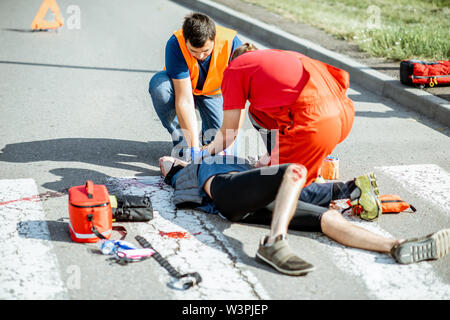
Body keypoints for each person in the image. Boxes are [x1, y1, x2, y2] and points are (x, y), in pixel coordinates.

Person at [158, 154, 450, 276]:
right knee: (292, 171)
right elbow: (164, 160)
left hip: (254, 201)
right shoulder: (191, 169)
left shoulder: (231, 159)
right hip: (224, 191)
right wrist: (191, 158)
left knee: (325, 218)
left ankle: (396, 246)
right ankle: (274, 243)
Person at [201, 44, 356, 194]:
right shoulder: (278, 56)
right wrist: (269, 159)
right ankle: (299, 163)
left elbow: (229, 132)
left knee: (279, 192)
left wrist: (203, 153)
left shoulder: (235, 68)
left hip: (314, 123)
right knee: (256, 111)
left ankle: (347, 190)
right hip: (343, 114)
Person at [149, 13, 243, 160]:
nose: (200, 56)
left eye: (206, 51)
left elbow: (239, 98)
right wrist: (192, 147)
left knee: (221, 150)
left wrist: (228, 140)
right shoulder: (176, 44)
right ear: (186, 41)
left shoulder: (232, 44)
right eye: (194, 51)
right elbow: (184, 100)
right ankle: (183, 144)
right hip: (180, 88)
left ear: (214, 38)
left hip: (213, 93)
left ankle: (206, 139)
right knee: (160, 88)